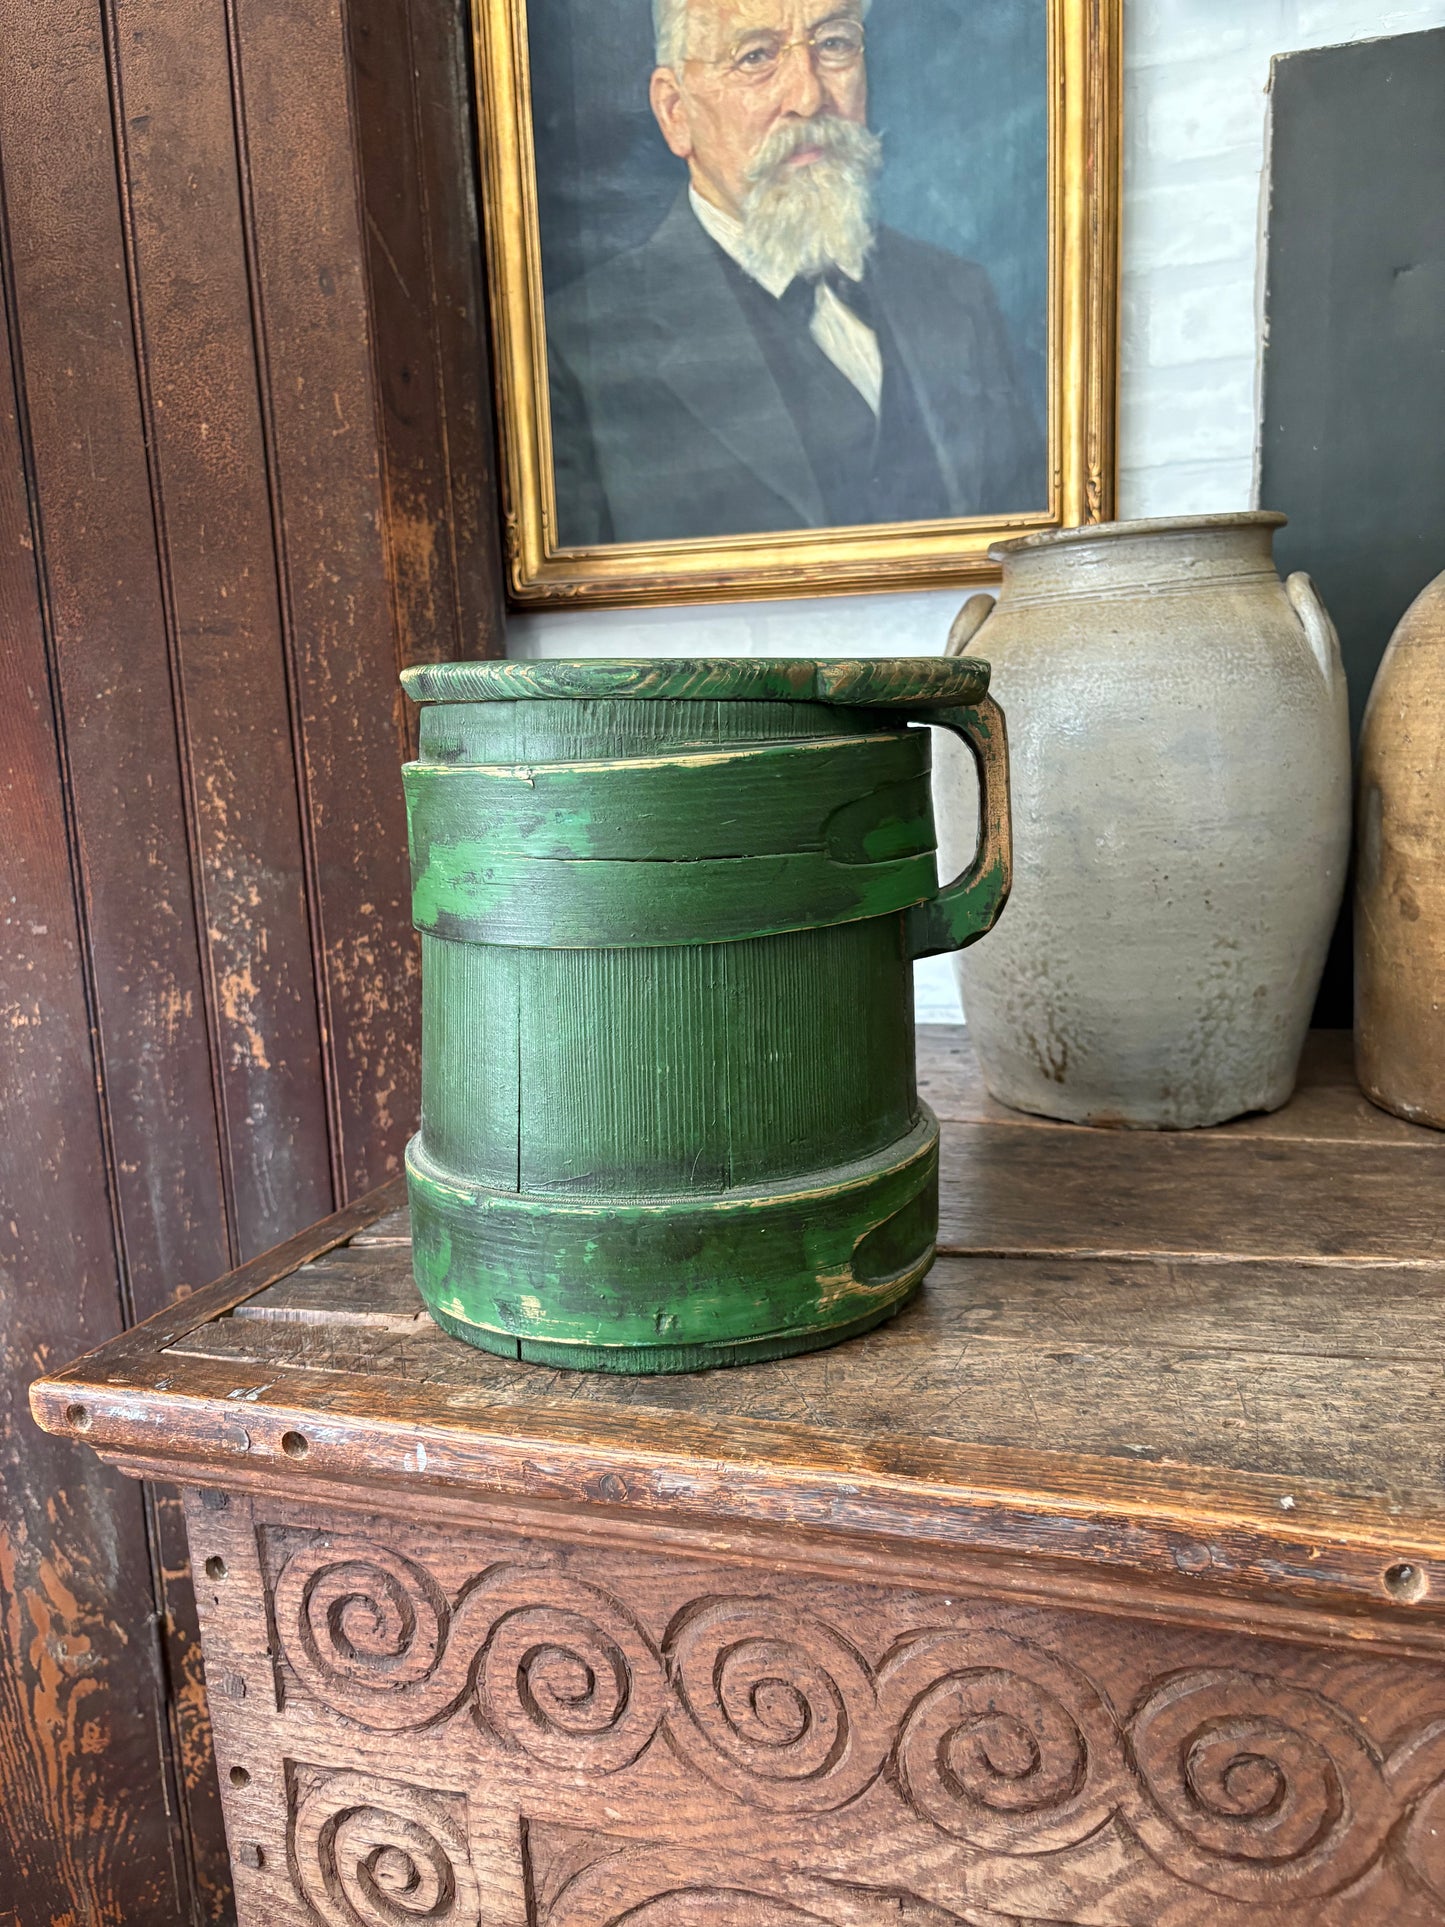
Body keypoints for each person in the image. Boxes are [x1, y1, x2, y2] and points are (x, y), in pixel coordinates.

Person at [546, 0, 1047, 548]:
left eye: (833, 44)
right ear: (675, 112)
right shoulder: (575, 348)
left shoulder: (958, 293)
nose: (808, 98)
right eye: (755, 56)